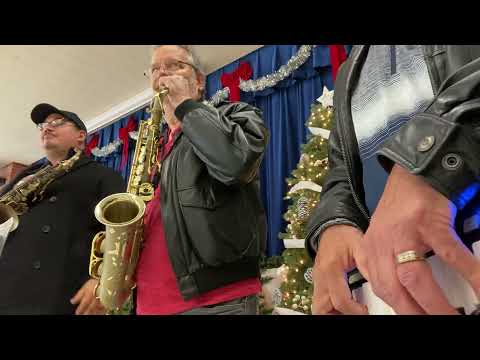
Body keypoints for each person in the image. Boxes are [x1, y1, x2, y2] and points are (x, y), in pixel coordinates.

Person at [305, 45, 480, 315]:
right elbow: (342, 167)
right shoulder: (350, 68)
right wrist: (334, 222)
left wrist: (431, 164)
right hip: (408, 291)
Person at [134, 45, 269, 315]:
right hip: (148, 305)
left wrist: (186, 106)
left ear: (198, 81)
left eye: (174, 65)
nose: (162, 75)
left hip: (216, 302)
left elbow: (235, 163)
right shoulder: (155, 147)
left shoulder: (234, 114)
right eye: (155, 69)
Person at [0, 103, 126, 315]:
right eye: (43, 125)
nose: (47, 128)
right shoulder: (25, 177)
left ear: (80, 136)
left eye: (58, 122)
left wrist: (103, 279)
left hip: (67, 294)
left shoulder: (104, 175)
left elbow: (121, 233)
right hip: (10, 290)